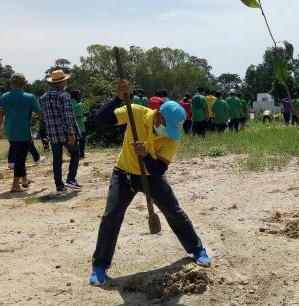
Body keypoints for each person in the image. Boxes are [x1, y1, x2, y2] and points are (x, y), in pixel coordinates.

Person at [89, 79, 211, 286]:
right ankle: (100, 265)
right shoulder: (135, 112)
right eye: (167, 126)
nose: (169, 132)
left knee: (174, 211)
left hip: (152, 176)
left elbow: (158, 170)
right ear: (158, 115)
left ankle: (197, 249)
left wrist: (145, 155)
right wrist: (117, 99)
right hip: (124, 173)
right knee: (111, 215)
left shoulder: (173, 138)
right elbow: (100, 120)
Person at [0, 73, 42, 192]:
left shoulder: (4, 97)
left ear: (11, 83)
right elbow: (40, 114)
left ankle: (24, 180)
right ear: (24, 84)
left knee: (19, 154)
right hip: (23, 132)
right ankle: (15, 184)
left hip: (10, 131)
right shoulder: (30, 97)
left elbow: (0, 115)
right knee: (20, 158)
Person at [40, 70, 81, 195]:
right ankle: (71, 179)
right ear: (62, 81)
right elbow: (68, 116)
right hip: (65, 132)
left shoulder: (44, 97)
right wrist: (72, 133)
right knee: (75, 154)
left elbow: (44, 116)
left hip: (52, 133)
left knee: (57, 160)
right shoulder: (64, 95)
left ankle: (59, 187)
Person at [70, 90, 87, 158]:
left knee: (81, 138)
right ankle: (78, 153)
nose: (80, 95)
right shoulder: (73, 101)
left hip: (80, 121)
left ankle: (81, 153)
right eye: (79, 94)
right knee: (79, 138)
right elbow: (74, 112)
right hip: (76, 121)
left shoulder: (76, 101)